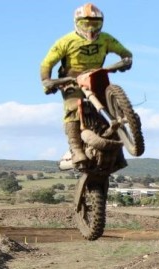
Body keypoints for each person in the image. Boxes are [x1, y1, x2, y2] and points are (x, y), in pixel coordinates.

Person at [40, 3, 133, 170]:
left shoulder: (106, 39)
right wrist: (47, 81)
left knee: (111, 108)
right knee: (73, 108)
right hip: (71, 79)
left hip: (96, 76)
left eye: (95, 23)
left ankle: (118, 152)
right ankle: (76, 150)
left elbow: (125, 52)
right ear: (77, 22)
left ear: (101, 23)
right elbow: (47, 63)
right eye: (86, 23)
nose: (90, 27)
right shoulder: (66, 41)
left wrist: (126, 60)